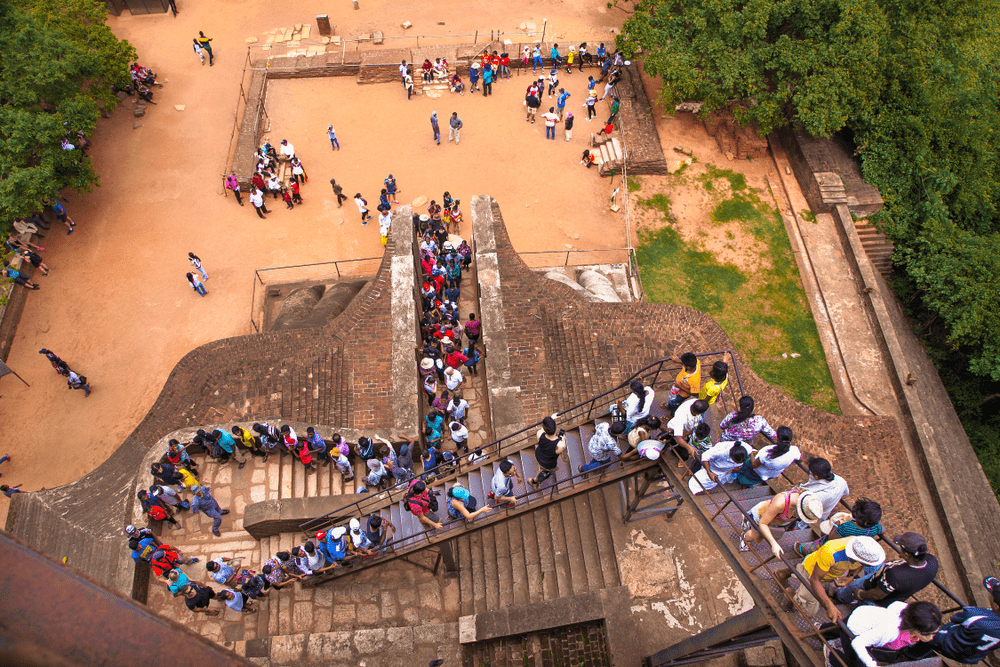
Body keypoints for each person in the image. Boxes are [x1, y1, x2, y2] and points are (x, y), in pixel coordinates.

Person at [774, 535, 885, 622]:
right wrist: (828, 603)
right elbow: (815, 579)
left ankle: (782, 574)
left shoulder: (859, 548)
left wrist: (850, 577)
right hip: (812, 572)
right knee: (809, 611)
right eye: (868, 564)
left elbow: (860, 565)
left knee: (801, 569)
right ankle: (790, 595)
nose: (869, 567)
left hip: (826, 572)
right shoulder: (831, 553)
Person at [832, 601, 942, 667]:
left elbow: (894, 605)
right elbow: (858, 643)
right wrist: (871, 664)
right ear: (915, 628)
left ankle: (825, 631)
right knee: (853, 661)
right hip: (853, 630)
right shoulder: (889, 630)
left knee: (834, 628)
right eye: (929, 634)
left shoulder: (907, 610)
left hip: (862, 614)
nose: (932, 637)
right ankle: (831, 655)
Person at [844, 532, 940, 606]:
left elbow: (877, 595)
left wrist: (860, 594)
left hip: (873, 592)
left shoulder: (896, 575)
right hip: (890, 592)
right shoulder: (932, 562)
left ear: (907, 555)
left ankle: (840, 596)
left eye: (901, 550)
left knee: (853, 586)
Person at [923, 577, 1000, 664]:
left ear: (996, 604)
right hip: (970, 656)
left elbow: (955, 618)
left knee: (926, 636)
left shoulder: (975, 615)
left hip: (946, 642)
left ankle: (910, 653)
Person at [741, 490, 823, 558]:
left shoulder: (803, 503)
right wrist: (773, 544)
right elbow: (763, 523)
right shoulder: (780, 503)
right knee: (757, 538)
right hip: (761, 516)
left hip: (778, 522)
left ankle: (748, 523)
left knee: (765, 537)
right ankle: (744, 536)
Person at [795, 497, 884, 557]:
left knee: (816, 549)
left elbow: (831, 538)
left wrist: (837, 523)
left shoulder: (847, 527)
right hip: (844, 550)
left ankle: (807, 553)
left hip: (830, 546)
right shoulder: (874, 528)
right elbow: (884, 530)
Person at [735, 426, 799, 487]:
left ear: (777, 438)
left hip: (756, 471)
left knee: (744, 475)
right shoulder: (794, 451)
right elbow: (798, 458)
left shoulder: (767, 452)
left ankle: (737, 480)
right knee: (751, 480)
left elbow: (754, 465)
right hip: (769, 475)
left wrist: (751, 453)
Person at [798, 456, 850, 524]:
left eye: (811, 473)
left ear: (816, 477)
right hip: (823, 514)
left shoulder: (818, 495)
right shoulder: (841, 481)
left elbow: (804, 506)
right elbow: (846, 493)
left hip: (812, 515)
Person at [665, 398, 708, 462]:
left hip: (687, 430)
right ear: (698, 412)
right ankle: (670, 450)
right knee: (674, 442)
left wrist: (686, 434)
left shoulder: (696, 403)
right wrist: (689, 448)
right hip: (675, 429)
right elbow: (678, 439)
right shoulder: (681, 416)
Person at [528, 416, 566, 487]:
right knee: (545, 472)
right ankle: (534, 481)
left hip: (538, 455)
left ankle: (540, 472)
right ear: (556, 426)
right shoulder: (561, 446)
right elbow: (565, 459)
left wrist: (550, 420)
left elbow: (543, 429)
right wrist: (563, 441)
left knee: (542, 468)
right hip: (548, 464)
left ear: (545, 430)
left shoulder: (539, 434)